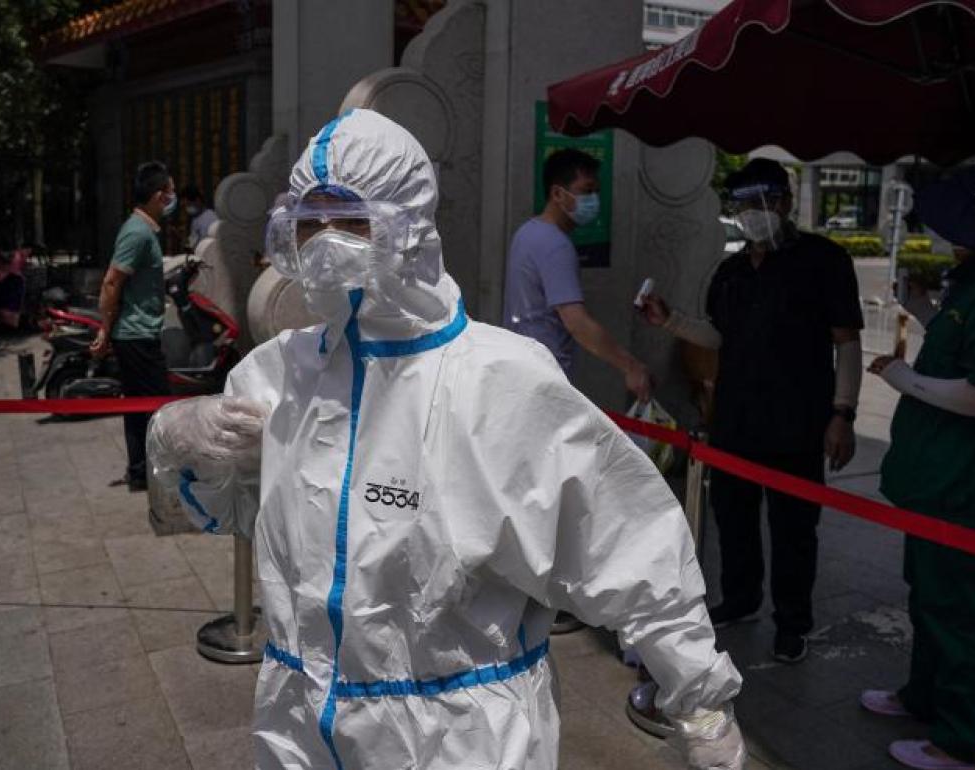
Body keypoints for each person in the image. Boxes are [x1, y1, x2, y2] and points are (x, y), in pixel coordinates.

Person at [148, 109, 746, 770]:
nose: (323, 244)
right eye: (309, 223)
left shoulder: (501, 381)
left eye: (349, 221)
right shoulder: (279, 373)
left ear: (407, 226)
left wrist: (699, 694)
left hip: (457, 738)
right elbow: (222, 510)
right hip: (299, 726)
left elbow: (626, 540)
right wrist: (181, 443)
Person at [862, 156, 975, 770]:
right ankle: (925, 696)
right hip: (939, 481)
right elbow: (964, 347)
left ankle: (962, 739)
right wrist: (924, 309)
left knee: (964, 613)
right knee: (930, 596)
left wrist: (906, 379)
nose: (940, 234)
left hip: (970, 487)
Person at [641, 158, 864, 663]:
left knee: (793, 528)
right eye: (740, 205)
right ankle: (740, 598)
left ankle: (792, 622)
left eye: (759, 203)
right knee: (733, 517)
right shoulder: (732, 271)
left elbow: (847, 341)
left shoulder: (823, 261)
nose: (750, 214)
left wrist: (843, 413)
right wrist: (670, 320)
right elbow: (719, 336)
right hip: (736, 418)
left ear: (784, 202)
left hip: (797, 420)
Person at [503, 148, 652, 401]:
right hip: (545, 381)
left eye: (596, 192)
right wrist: (631, 367)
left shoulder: (527, 232)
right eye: (587, 190)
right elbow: (577, 323)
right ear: (557, 194)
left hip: (521, 372)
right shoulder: (556, 245)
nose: (594, 200)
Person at [91, 161, 175, 492]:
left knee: (138, 406)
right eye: (169, 192)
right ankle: (154, 473)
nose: (172, 199)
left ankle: (140, 471)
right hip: (136, 335)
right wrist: (104, 329)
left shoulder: (144, 229)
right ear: (158, 196)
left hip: (138, 333)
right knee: (158, 407)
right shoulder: (137, 232)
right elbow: (112, 282)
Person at [181, 185, 218, 250]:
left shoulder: (210, 218)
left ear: (198, 200)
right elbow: (193, 241)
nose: (187, 209)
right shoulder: (195, 219)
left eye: (188, 204)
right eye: (185, 206)